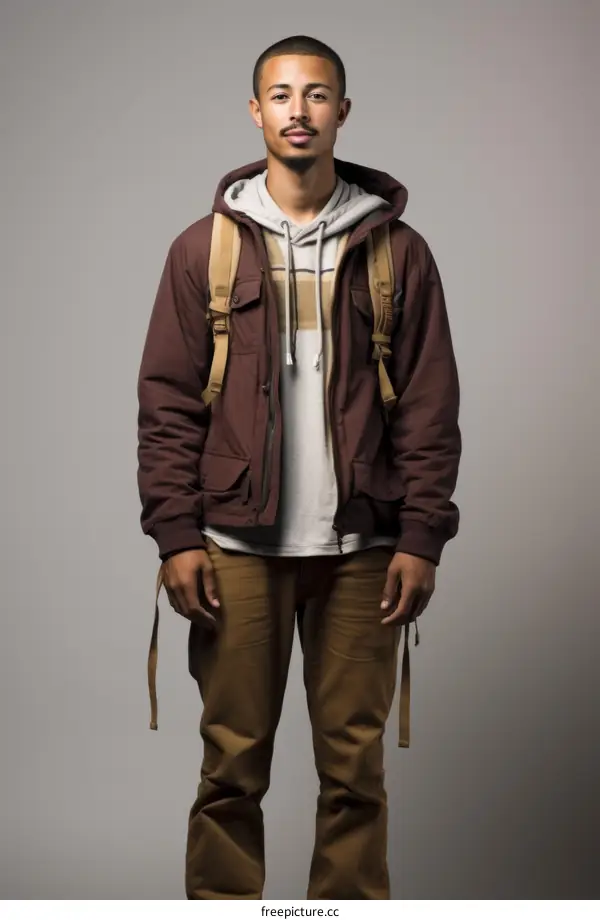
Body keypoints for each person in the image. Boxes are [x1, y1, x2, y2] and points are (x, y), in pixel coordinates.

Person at [136, 34, 461, 900]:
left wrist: (422, 536)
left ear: (342, 112)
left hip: (365, 548)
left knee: (355, 774)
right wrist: (175, 533)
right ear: (256, 112)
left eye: (317, 95)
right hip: (233, 547)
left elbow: (431, 408)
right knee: (231, 768)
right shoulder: (201, 249)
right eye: (280, 95)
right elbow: (166, 406)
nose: (298, 111)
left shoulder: (399, 252)